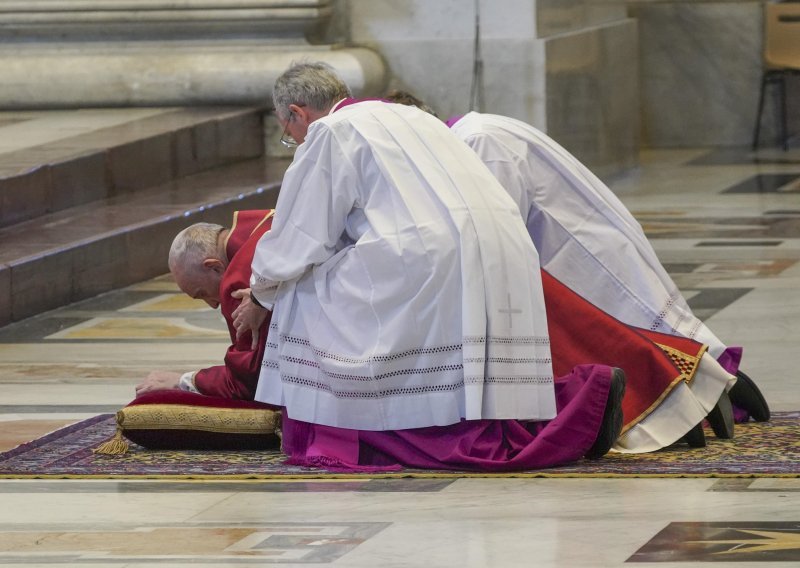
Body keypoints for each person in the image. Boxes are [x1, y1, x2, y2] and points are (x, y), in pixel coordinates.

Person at [233, 61, 627, 471]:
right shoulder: (413, 116)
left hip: (427, 256)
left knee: (302, 294)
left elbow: (301, 234)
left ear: (297, 113)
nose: (293, 140)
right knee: (468, 382)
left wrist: (263, 293)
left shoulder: (331, 132)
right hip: (503, 246)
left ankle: (339, 433)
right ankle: (579, 401)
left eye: (287, 131)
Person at [444, 109, 769, 426]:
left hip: (579, 255)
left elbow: (495, 236)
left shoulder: (477, 142)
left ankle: (705, 388)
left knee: (628, 340)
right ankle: (711, 381)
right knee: (638, 337)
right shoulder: (476, 131)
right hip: (574, 243)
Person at [135, 210, 274, 400]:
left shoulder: (240, 282)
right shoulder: (267, 221)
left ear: (215, 267)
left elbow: (246, 382)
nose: (213, 305)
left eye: (203, 293)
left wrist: (184, 381)